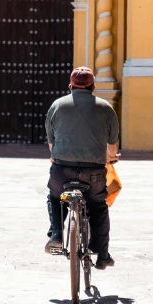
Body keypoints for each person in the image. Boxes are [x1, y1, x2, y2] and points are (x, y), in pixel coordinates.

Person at [44, 66, 120, 270]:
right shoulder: (105, 107)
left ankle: (58, 236)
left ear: (70, 86)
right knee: (98, 207)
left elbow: (52, 144)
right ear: (93, 86)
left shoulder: (57, 106)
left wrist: (57, 157)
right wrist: (111, 158)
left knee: (55, 197)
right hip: (93, 172)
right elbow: (112, 146)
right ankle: (102, 255)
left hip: (62, 170)